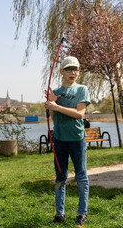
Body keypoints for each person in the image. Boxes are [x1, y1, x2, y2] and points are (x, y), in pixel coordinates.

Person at [44, 56, 91, 226]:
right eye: (69, 69)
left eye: (75, 69)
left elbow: (80, 114)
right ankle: (59, 214)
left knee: (81, 177)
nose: (73, 72)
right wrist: (51, 104)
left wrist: (56, 106)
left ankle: (81, 214)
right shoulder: (55, 91)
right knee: (60, 177)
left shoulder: (82, 89)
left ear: (79, 71)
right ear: (61, 71)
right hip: (59, 140)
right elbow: (54, 116)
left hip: (77, 140)